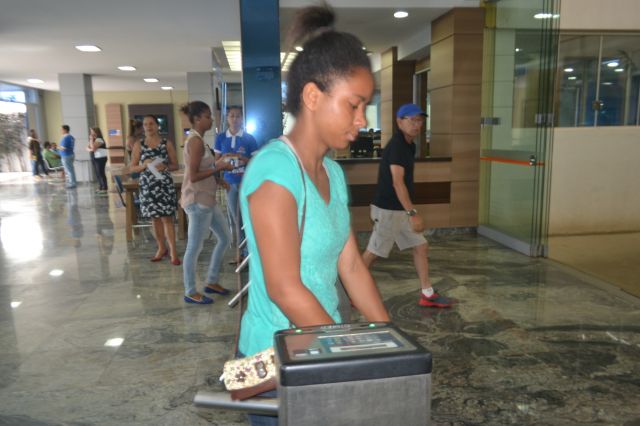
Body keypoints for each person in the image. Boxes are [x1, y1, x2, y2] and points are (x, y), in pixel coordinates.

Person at [237, 5, 389, 425]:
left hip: (321, 344)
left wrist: (390, 339)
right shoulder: (275, 171)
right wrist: (347, 356)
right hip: (279, 362)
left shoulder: (333, 174)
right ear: (312, 96)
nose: (362, 120)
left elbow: (351, 266)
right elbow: (284, 288)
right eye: (353, 105)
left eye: (365, 106)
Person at [362, 104, 453, 308]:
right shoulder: (397, 146)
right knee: (374, 252)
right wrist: (413, 213)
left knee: (420, 246)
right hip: (388, 210)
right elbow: (397, 182)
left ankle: (427, 293)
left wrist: (408, 211)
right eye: (411, 120)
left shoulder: (408, 145)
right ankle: (350, 290)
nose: (416, 124)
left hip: (399, 210)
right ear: (399, 122)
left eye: (419, 120)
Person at [179, 101, 234, 304]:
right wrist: (219, 168)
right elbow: (193, 176)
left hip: (207, 200)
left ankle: (211, 281)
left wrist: (217, 179)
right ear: (197, 119)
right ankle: (190, 291)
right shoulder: (195, 141)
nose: (211, 120)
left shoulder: (200, 140)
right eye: (208, 116)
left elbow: (203, 170)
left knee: (225, 238)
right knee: (194, 247)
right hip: (197, 202)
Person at [129, 115, 180, 265]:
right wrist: (143, 165)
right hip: (148, 186)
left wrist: (165, 166)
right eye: (145, 124)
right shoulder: (139, 145)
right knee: (155, 219)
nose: (148, 127)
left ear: (157, 126)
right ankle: (161, 248)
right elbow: (132, 168)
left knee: (167, 219)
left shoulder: (166, 143)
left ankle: (173, 251)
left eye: (151, 124)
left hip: (164, 185)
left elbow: (175, 165)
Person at [214, 106, 258, 260]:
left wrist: (242, 159)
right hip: (229, 183)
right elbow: (215, 163)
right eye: (232, 116)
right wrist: (224, 158)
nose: (235, 119)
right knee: (236, 219)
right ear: (227, 118)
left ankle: (252, 252)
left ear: (242, 119)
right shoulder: (221, 138)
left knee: (248, 218)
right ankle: (241, 252)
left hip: (247, 183)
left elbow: (256, 162)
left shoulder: (249, 138)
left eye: (238, 116)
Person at [87, 127, 109, 194]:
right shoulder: (94, 140)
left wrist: (91, 140)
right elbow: (87, 147)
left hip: (100, 158)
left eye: (92, 131)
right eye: (91, 131)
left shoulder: (99, 139)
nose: (91, 133)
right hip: (95, 158)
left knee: (100, 172)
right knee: (97, 173)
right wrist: (91, 147)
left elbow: (93, 148)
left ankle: (104, 187)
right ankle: (101, 186)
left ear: (96, 132)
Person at [58, 125, 76, 189]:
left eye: (61, 129)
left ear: (65, 130)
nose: (60, 131)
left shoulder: (65, 138)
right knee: (71, 170)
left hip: (66, 156)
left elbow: (63, 148)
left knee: (69, 170)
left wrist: (58, 147)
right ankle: (72, 182)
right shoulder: (71, 137)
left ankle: (72, 183)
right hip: (71, 154)